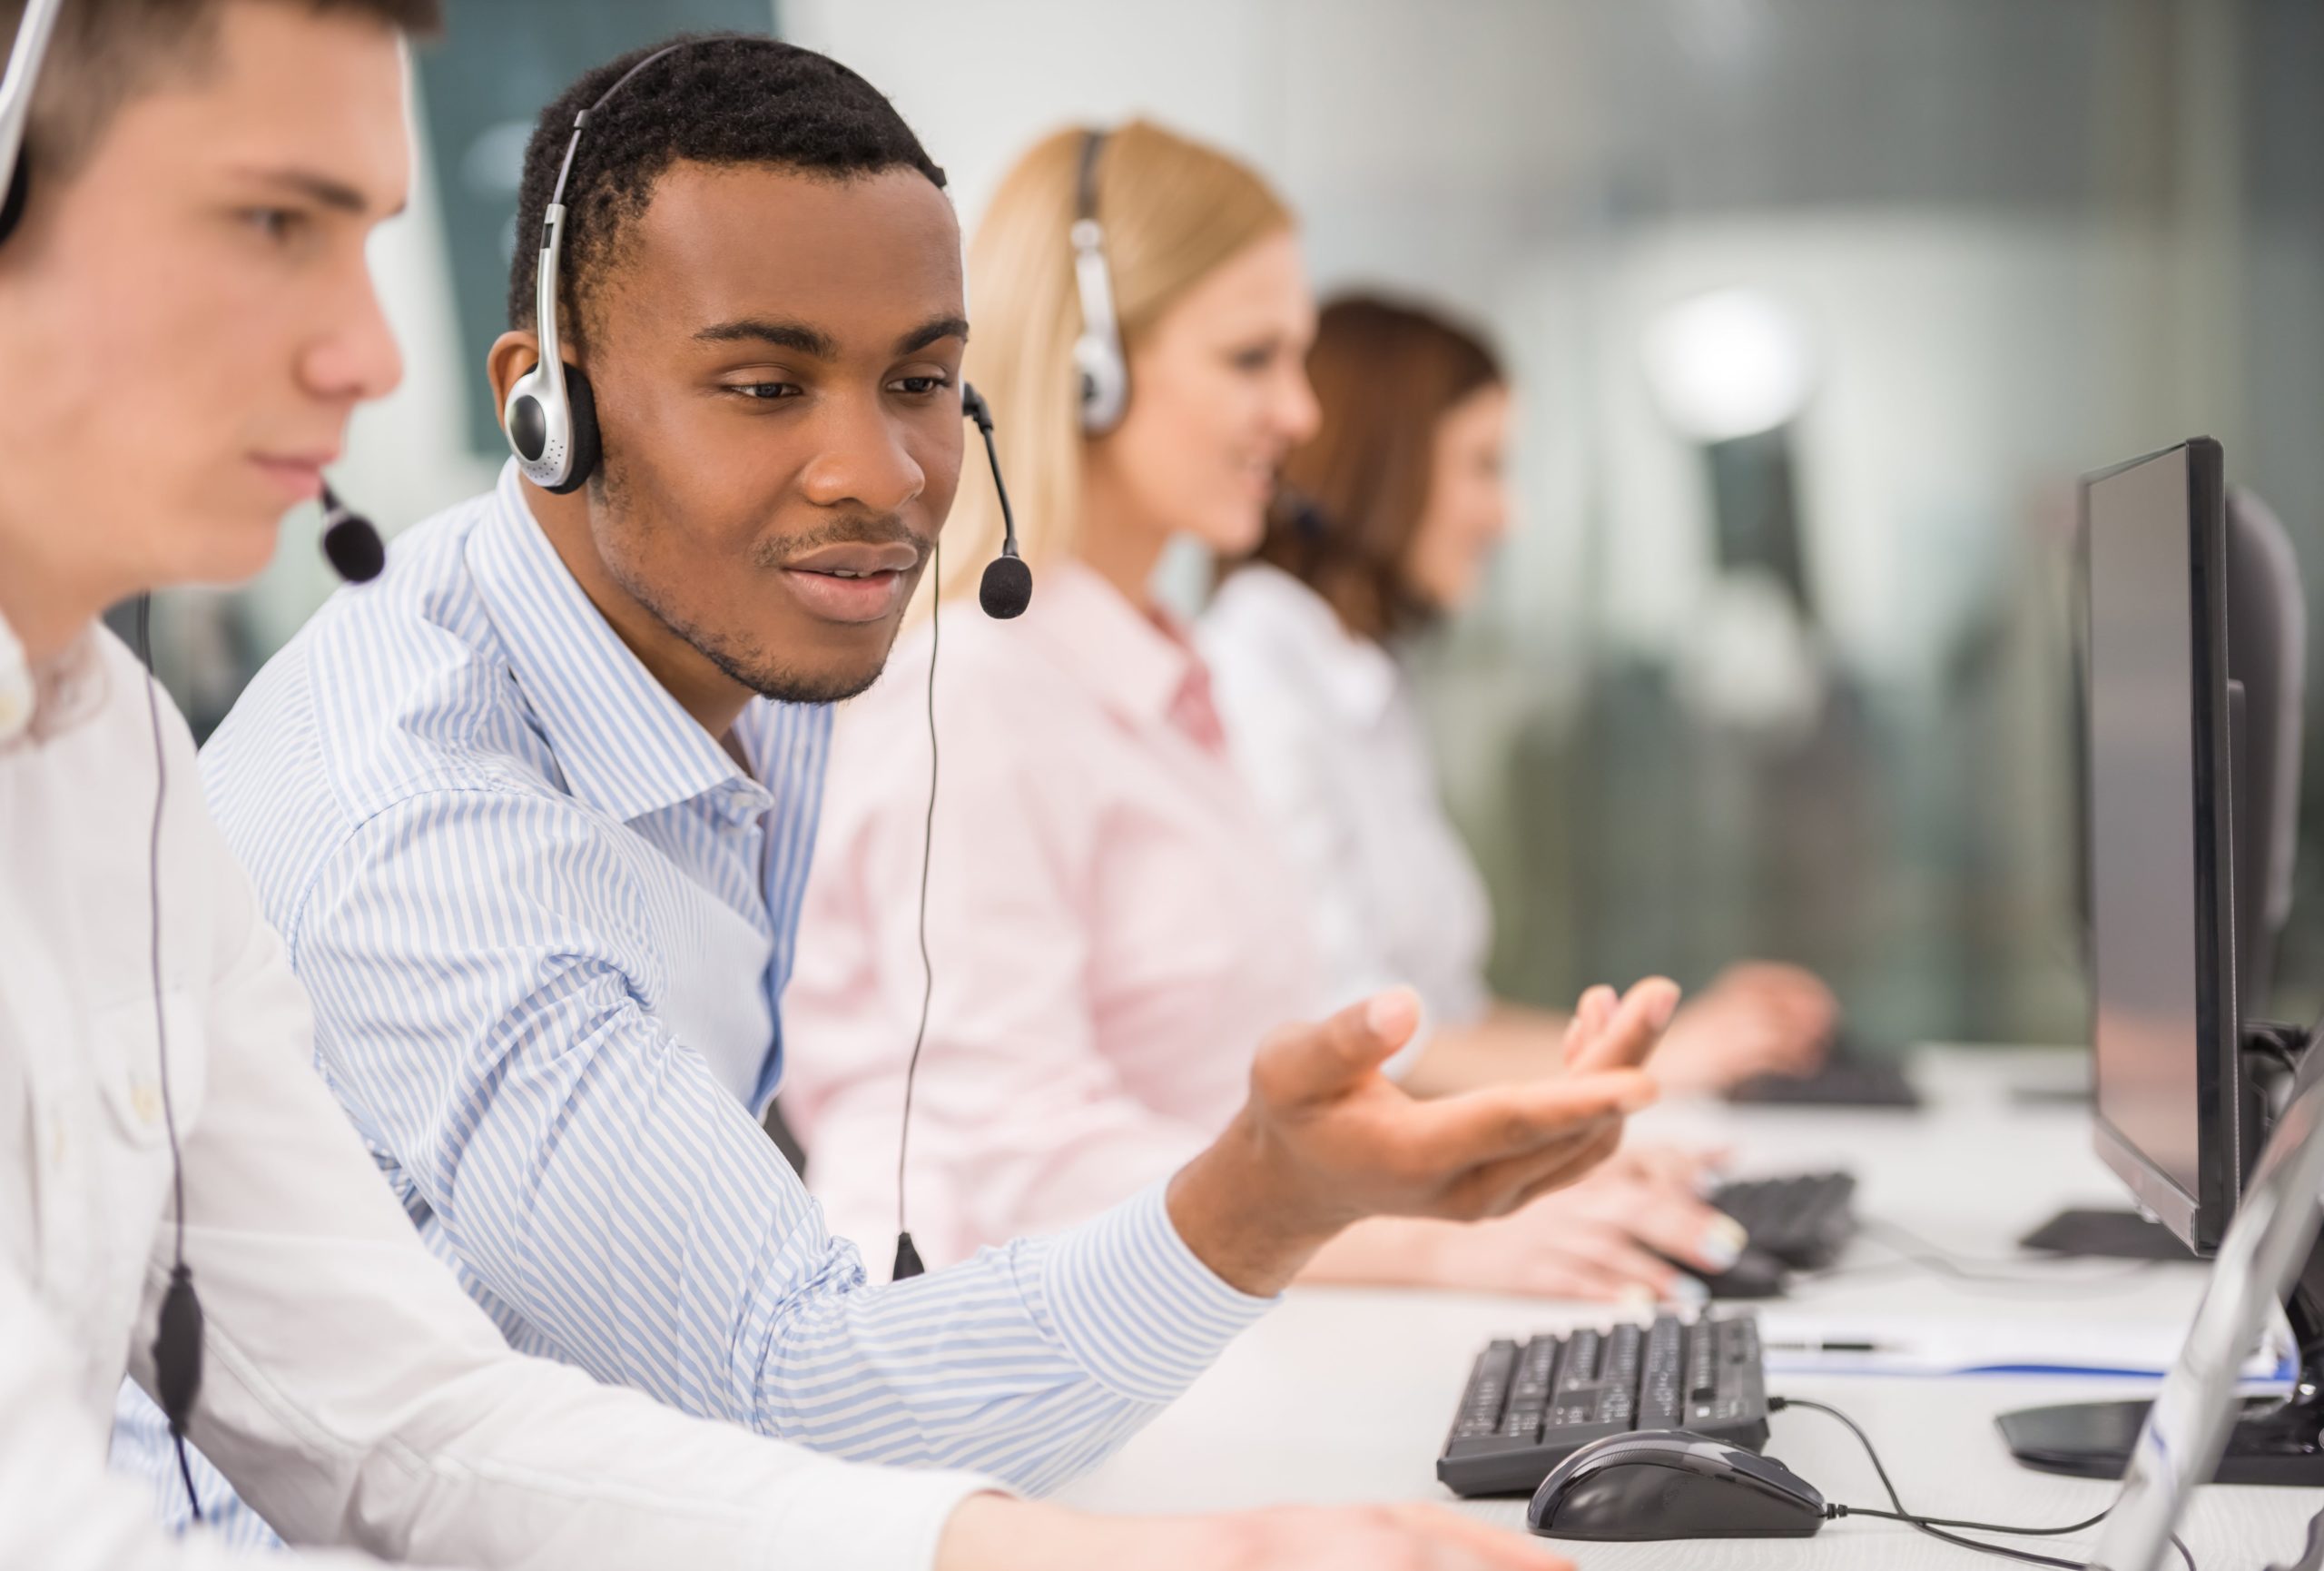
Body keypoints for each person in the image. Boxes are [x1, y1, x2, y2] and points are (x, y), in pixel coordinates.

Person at [143, 26, 1659, 1568]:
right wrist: (1254, 1210)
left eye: (922, 381)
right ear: (550, 404)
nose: (876, 472)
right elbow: (785, 1404)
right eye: (763, 384)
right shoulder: (435, 830)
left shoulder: (770, 662)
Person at [783, 121, 1744, 1306]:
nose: (1299, 413)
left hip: (1194, 1323)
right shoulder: (978, 698)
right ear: (1094, 368)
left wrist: (1497, 1173)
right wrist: (1437, 1238)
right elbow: (1025, 1158)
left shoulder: (1163, 683)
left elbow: (1237, 1110)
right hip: (1013, 1377)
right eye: (1251, 359)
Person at [1201, 294, 1838, 1100]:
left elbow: (1447, 1019)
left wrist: (1653, 1044)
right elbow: (1354, 1041)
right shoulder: (1253, 687)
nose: (1508, 515)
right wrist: (1658, 1065)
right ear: (1381, 465)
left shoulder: (1358, 683)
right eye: (1483, 466)